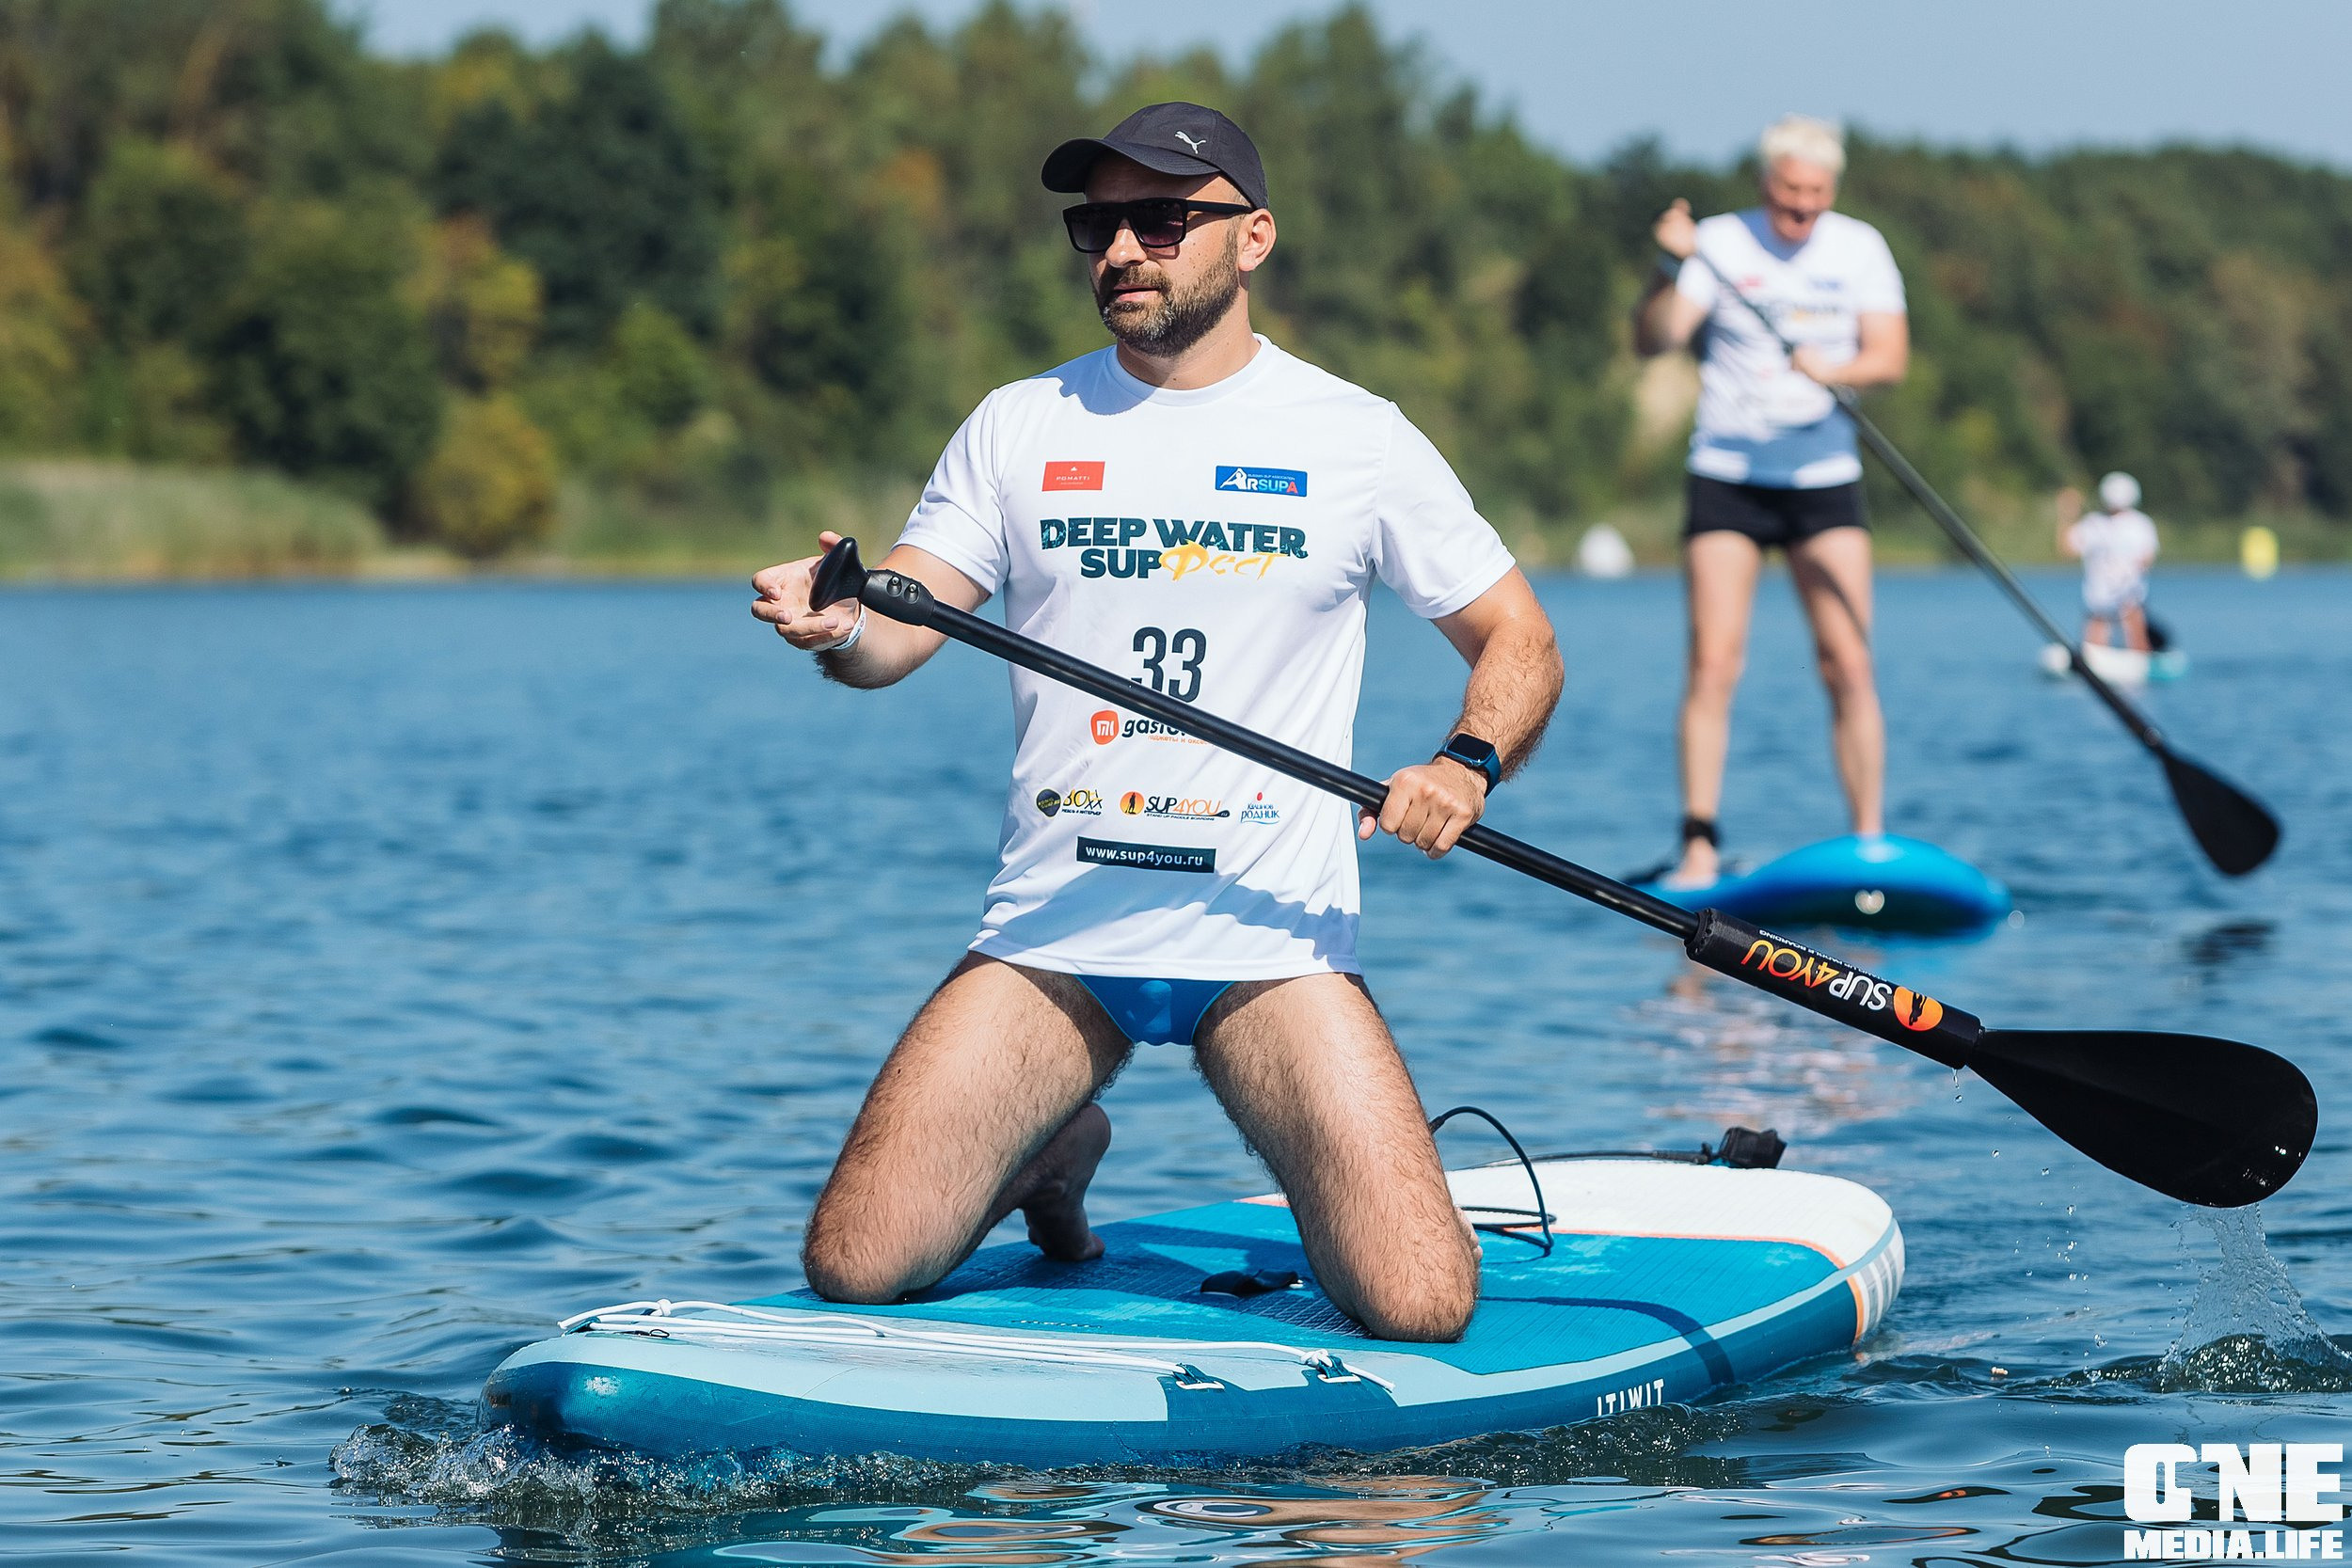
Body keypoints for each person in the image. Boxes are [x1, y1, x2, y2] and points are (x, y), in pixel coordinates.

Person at [749, 103, 1563, 1341]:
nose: (1122, 248)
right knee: (858, 1266)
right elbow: (899, 629)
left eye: (1161, 219)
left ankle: (1254, 1178)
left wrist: (1466, 761)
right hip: (1059, 935)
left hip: (1270, 944)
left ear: (1253, 238)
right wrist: (837, 628)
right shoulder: (1021, 426)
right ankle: (1046, 1146)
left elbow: (1523, 640)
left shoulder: (1356, 439)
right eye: (1097, 224)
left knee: (1422, 1303)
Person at [1631, 116, 1910, 887]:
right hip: (1728, 473)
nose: (1801, 210)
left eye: (1816, 196)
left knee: (1848, 662)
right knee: (1714, 661)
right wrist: (1666, 264)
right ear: (1765, 184)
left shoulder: (1859, 248)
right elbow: (1655, 339)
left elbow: (1891, 354)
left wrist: (1840, 364)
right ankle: (1698, 844)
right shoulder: (1717, 243)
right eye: (1789, 193)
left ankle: (1868, 840)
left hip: (1824, 478)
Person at [2057, 473, 2159, 651]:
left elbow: (2147, 558)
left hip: (2129, 593)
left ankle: (2141, 661)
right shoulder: (2093, 523)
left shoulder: (2141, 524)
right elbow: (2068, 550)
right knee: (2096, 630)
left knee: (2135, 625)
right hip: (2098, 595)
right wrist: (2068, 514)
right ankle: (2094, 663)